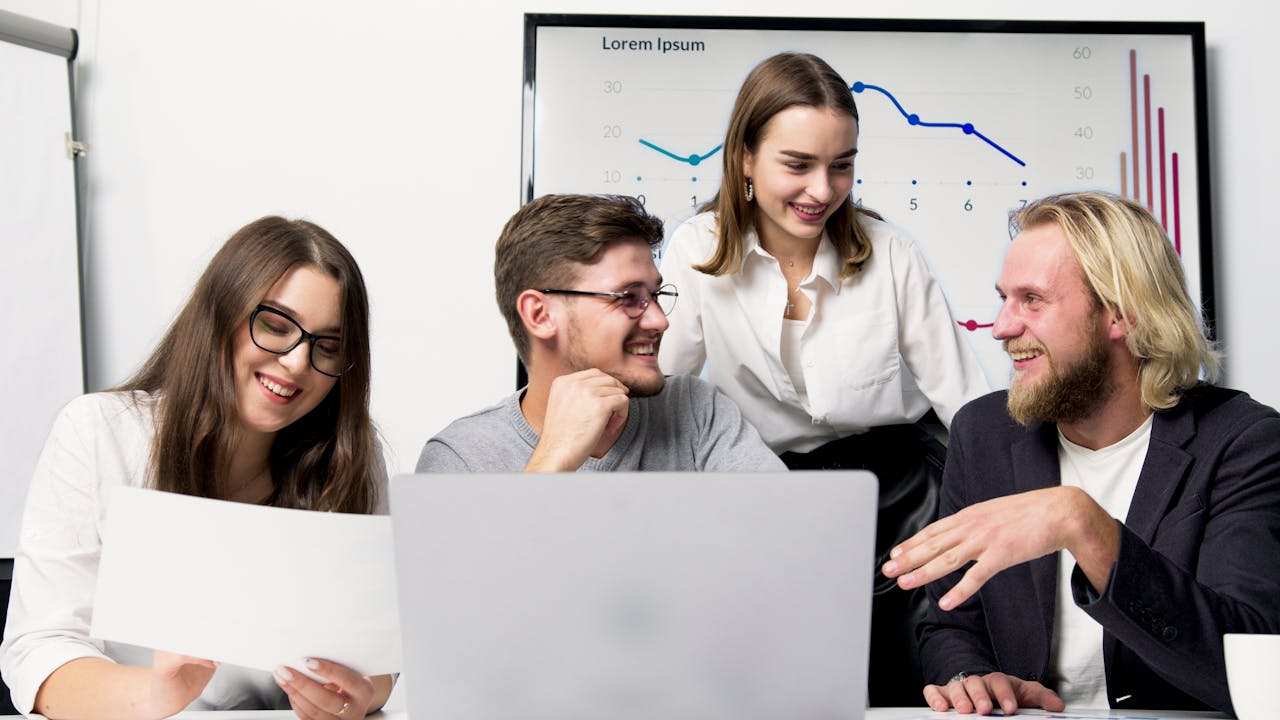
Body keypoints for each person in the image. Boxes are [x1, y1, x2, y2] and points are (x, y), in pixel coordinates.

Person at [657, 51, 989, 704]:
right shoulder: (697, 248)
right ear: (745, 157)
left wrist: (1029, 508)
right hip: (759, 496)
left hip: (898, 497)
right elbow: (661, 388)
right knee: (771, 693)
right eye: (798, 164)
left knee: (907, 688)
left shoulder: (891, 252)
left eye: (842, 165)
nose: (822, 190)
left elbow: (968, 403)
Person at [882, 191, 1280, 715]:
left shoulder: (1244, 442)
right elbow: (952, 623)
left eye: (1032, 300)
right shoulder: (984, 432)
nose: (1001, 327)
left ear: (1121, 314)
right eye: (1004, 298)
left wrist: (1084, 524)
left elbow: (1250, 669)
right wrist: (974, 681)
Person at [0, 217, 395, 720]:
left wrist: (360, 695)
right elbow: (39, 652)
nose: (298, 362)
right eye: (275, 325)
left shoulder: (351, 457)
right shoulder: (99, 432)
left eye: (328, 346)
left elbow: (378, 657)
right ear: (219, 317)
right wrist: (157, 697)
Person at [417, 193, 785, 474]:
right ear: (540, 314)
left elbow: (792, 546)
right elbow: (475, 577)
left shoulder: (696, 411)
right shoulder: (461, 458)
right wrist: (552, 460)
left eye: (655, 296)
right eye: (628, 297)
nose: (660, 321)